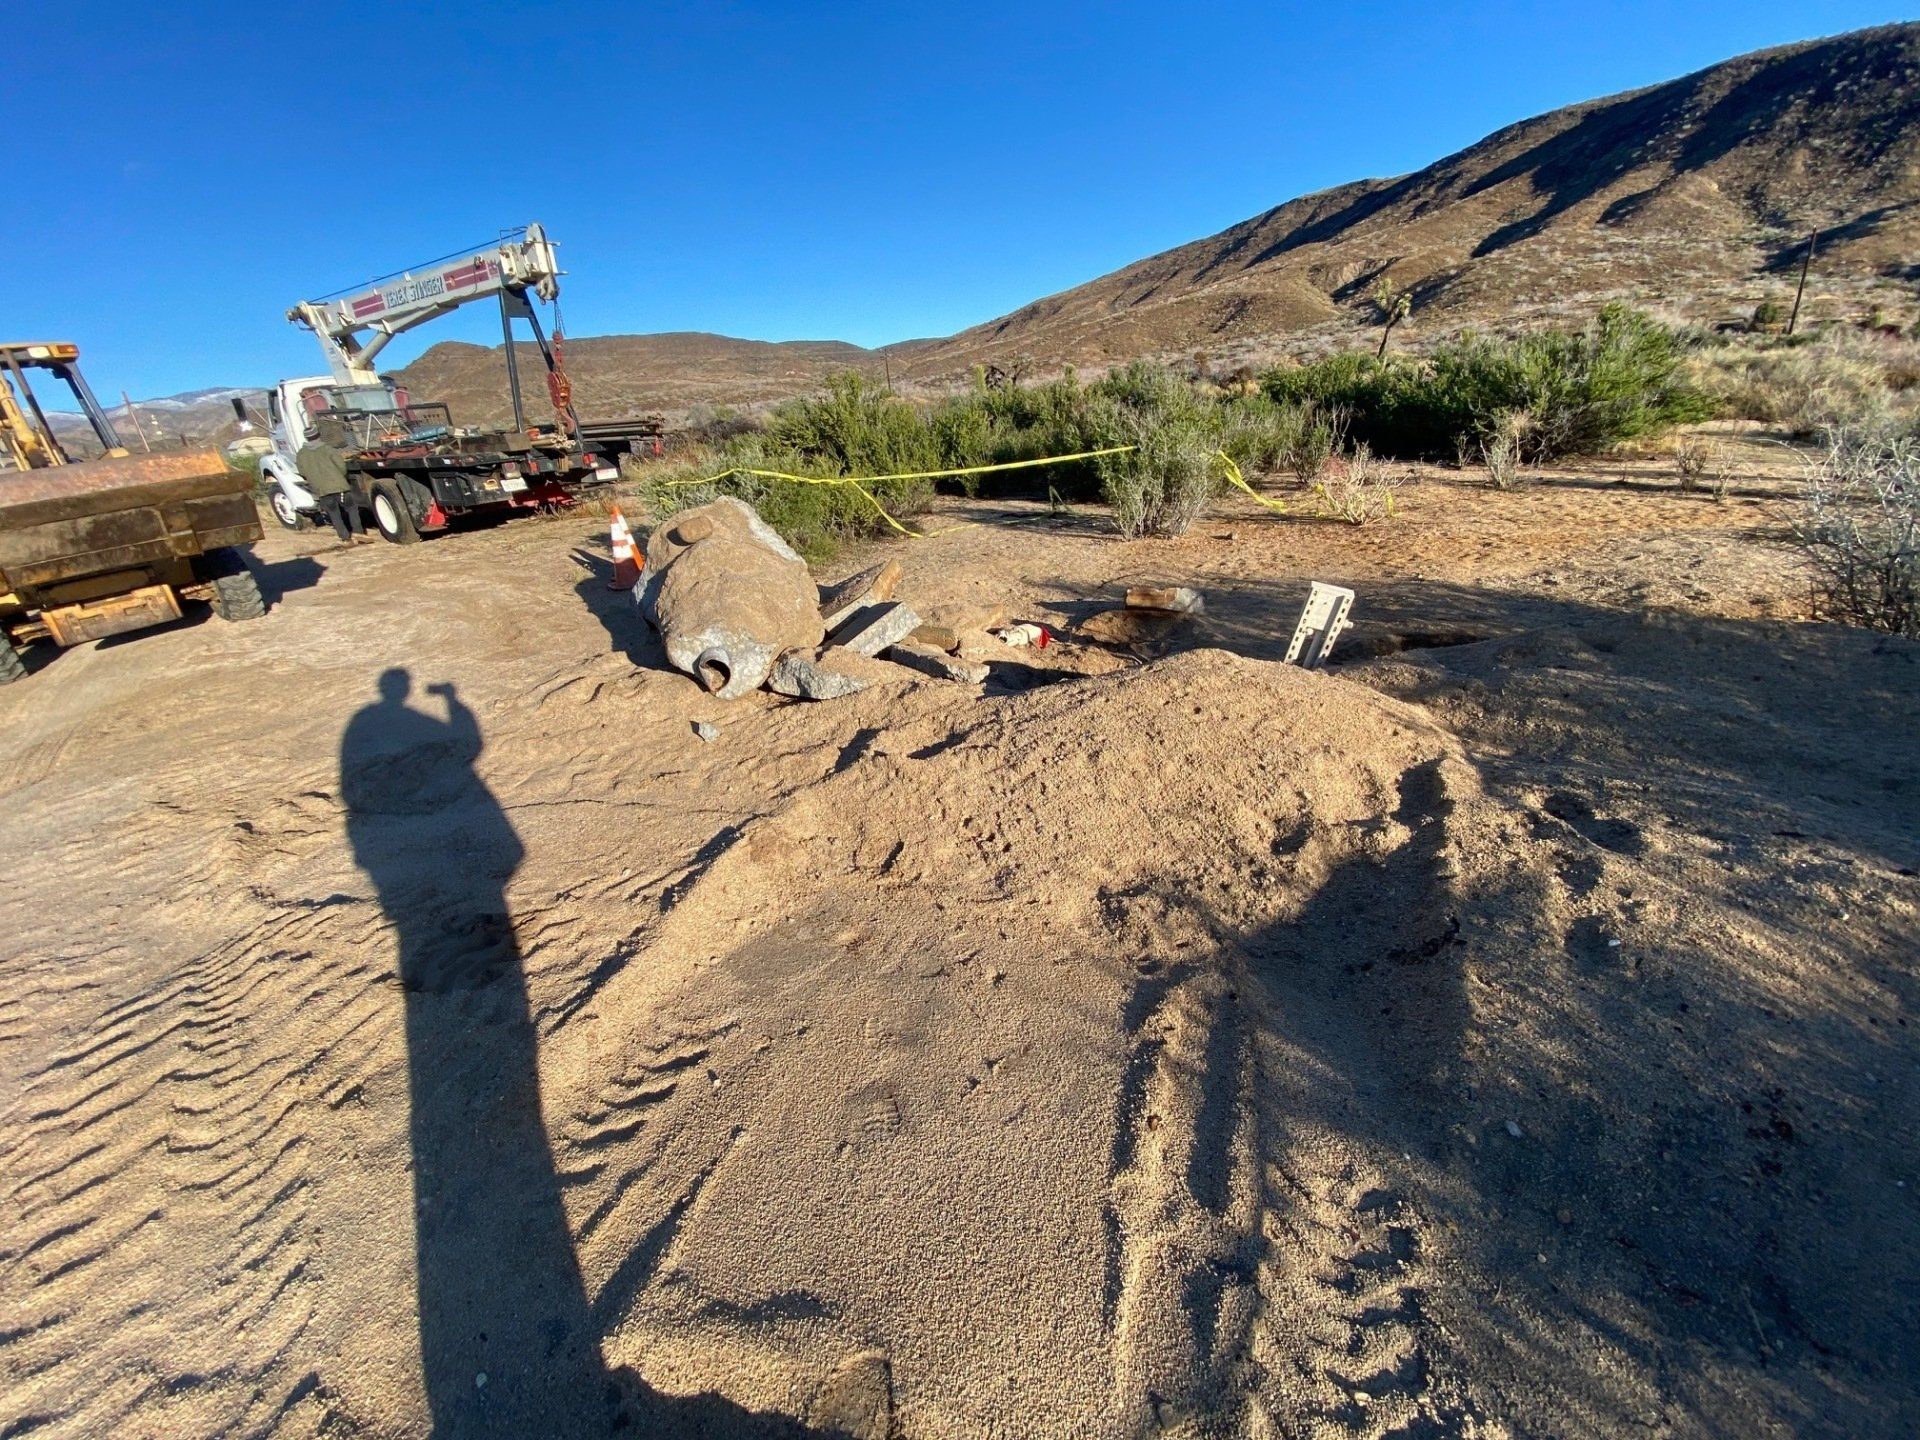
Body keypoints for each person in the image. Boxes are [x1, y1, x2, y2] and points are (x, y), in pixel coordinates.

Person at [296, 415, 366, 541]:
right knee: (351, 508)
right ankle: (358, 533)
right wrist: (341, 477)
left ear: (306, 438)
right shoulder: (328, 449)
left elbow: (302, 472)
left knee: (334, 514)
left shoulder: (301, 454)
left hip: (321, 490)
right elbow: (341, 467)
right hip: (339, 487)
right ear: (318, 435)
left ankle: (344, 538)